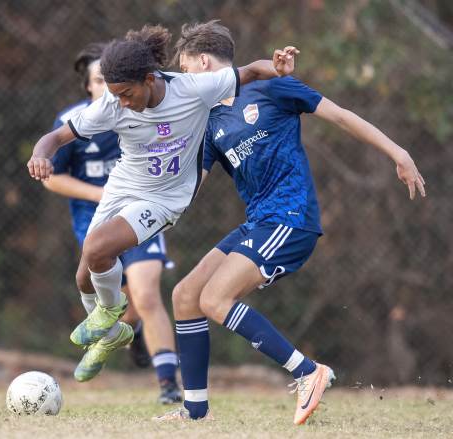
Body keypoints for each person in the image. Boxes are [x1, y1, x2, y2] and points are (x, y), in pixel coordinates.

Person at [154, 21, 426, 424]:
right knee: (185, 295)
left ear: (204, 62)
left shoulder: (271, 88)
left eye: (186, 68)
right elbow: (192, 186)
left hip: (290, 218)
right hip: (259, 221)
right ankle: (194, 412)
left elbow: (341, 116)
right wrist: (147, 211)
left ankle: (307, 372)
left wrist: (398, 153)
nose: (185, 79)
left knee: (214, 300)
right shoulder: (209, 120)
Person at [27, 24, 295, 397]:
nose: (121, 102)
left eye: (127, 93)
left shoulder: (193, 89)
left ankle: (114, 322)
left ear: (150, 79)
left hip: (165, 198)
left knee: (98, 249)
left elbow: (250, 71)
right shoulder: (111, 104)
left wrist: (277, 68)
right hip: (122, 187)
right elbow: (56, 137)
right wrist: (40, 155)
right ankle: (113, 331)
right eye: (115, 94)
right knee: (84, 276)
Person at [42, 42, 182, 403]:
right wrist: (98, 194)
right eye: (100, 81)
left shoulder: (146, 112)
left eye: (114, 81)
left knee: (146, 293)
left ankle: (168, 384)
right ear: (88, 86)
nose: (109, 88)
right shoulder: (76, 121)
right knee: (120, 300)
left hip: (143, 211)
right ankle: (128, 330)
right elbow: (51, 177)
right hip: (96, 221)